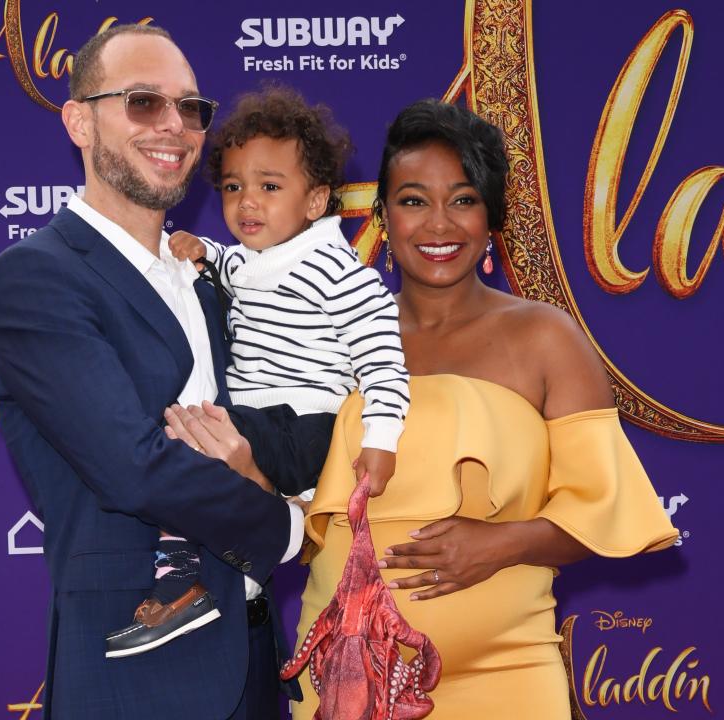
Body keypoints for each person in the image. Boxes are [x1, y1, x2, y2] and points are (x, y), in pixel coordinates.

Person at [289, 100, 679, 718]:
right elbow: (286, 488)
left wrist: (499, 544)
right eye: (414, 200)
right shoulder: (328, 335)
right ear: (383, 217)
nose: (438, 224)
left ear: (492, 216)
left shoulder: (546, 338)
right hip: (347, 670)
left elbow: (603, 511)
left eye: (464, 199)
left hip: (508, 671)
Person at [0, 24, 305, 720]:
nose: (175, 126)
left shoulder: (211, 277)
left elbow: (264, 424)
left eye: (190, 108)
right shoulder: (38, 277)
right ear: (78, 120)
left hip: (257, 661)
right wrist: (286, 526)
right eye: (142, 102)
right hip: (142, 678)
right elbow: (133, 465)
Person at [130, 86, 408, 647]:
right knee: (191, 435)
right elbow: (237, 269)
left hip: (304, 429)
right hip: (261, 421)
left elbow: (383, 361)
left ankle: (183, 574)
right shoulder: (257, 259)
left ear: (315, 201)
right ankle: (230, 574)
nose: (247, 202)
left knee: (184, 441)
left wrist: (381, 440)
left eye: (269, 187)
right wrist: (203, 251)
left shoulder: (340, 272)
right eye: (233, 187)